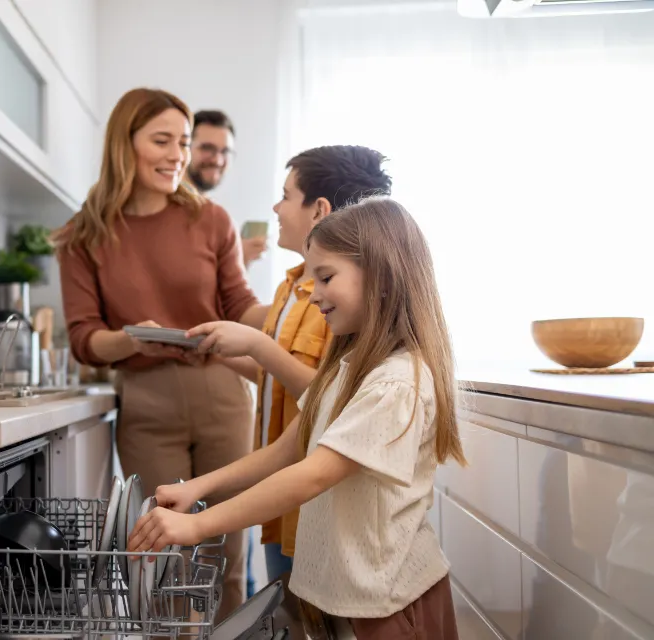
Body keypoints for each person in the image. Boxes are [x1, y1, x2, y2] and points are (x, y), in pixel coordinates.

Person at [129, 197, 466, 639]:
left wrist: (197, 525)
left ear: (382, 276)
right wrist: (195, 488)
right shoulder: (344, 370)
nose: (316, 292)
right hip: (356, 597)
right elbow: (286, 451)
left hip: (393, 603)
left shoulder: (395, 383)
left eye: (326, 277)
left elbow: (311, 475)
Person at [54, 88, 268, 619]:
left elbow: (240, 305)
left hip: (222, 395)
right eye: (162, 140)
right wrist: (129, 339)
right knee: (165, 561)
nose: (178, 155)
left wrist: (302, 307)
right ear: (124, 145)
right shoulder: (84, 235)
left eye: (184, 141)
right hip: (146, 406)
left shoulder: (210, 219)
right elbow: (84, 337)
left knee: (226, 556)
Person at [193, 145, 392, 609]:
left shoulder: (340, 301)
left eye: (285, 196)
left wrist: (257, 345)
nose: (276, 208)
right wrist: (218, 353)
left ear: (319, 209)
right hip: (281, 491)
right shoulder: (293, 285)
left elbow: (328, 397)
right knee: (289, 613)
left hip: (311, 497)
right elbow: (282, 383)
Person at [186, 109, 267, 268]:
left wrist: (238, 259)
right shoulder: (168, 209)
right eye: (207, 148)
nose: (217, 160)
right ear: (185, 148)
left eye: (225, 151)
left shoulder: (213, 214)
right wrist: (234, 260)